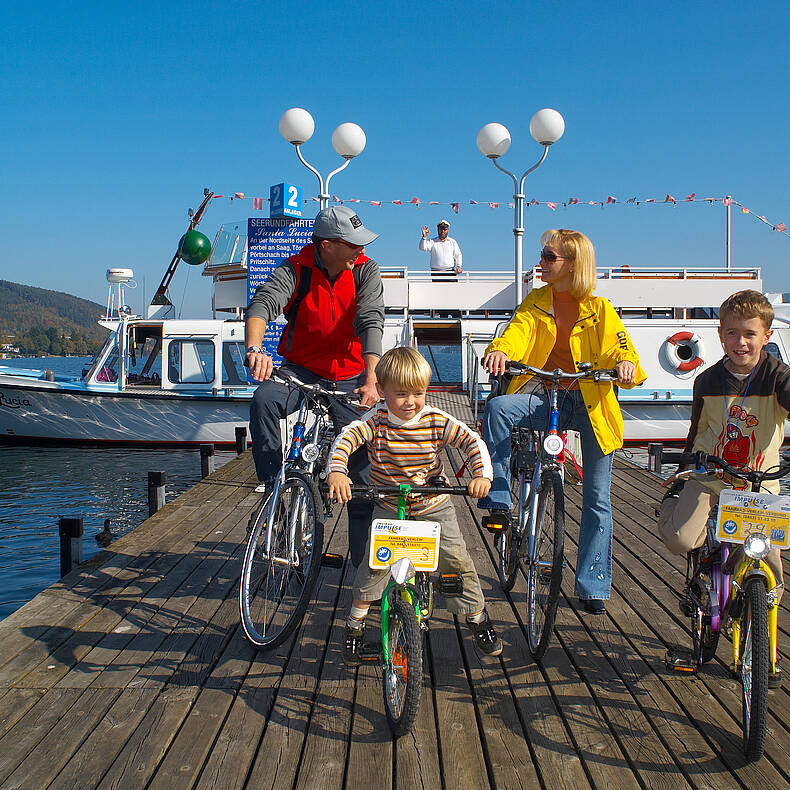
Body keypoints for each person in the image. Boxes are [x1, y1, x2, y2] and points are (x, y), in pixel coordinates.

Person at [479, 229, 646, 614]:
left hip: (590, 402)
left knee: (597, 500)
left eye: (549, 256)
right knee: (500, 408)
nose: (541, 262)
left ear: (573, 264)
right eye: (543, 255)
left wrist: (625, 366)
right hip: (546, 393)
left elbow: (621, 349)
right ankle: (500, 496)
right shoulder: (535, 302)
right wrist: (501, 352)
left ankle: (592, 585)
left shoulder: (600, 309)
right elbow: (516, 334)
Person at [327, 346, 502, 663]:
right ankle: (354, 627)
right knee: (373, 565)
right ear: (381, 392)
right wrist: (338, 472)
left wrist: (482, 476)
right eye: (401, 394)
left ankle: (478, 618)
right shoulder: (376, 420)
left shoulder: (436, 420)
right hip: (390, 504)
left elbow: (471, 442)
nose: (410, 402)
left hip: (434, 502)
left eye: (418, 393)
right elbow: (346, 438)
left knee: (457, 560)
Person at [658, 289, 788, 681]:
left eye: (750, 334)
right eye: (732, 333)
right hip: (710, 476)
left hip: (757, 483)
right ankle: (681, 527)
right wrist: (683, 470)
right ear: (719, 335)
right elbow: (697, 430)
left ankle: (766, 651)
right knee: (680, 538)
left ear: (766, 336)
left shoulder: (777, 377)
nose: (741, 342)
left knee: (771, 568)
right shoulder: (707, 380)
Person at [245, 205, 384, 567]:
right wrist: (255, 350)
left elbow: (370, 318)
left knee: (361, 470)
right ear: (326, 245)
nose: (360, 250)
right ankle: (275, 491)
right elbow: (263, 303)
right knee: (263, 400)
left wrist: (371, 378)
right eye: (351, 244)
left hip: (352, 376)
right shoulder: (296, 269)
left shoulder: (366, 270)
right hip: (301, 371)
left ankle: (362, 566)